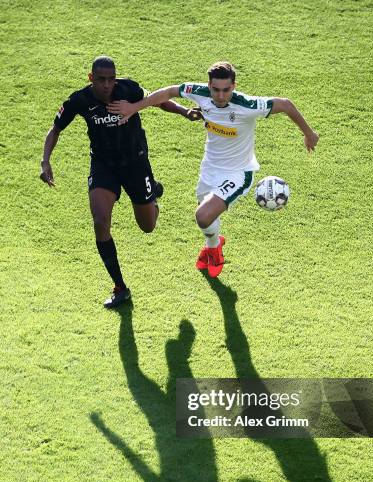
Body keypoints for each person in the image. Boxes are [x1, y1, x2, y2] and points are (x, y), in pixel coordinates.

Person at [107, 61, 319, 278]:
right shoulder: (199, 93)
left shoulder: (248, 105)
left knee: (203, 216)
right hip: (209, 168)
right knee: (206, 218)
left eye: (226, 90)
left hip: (238, 173)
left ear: (234, 86)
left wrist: (309, 134)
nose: (220, 95)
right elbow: (169, 91)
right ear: (208, 85)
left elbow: (286, 104)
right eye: (215, 89)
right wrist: (134, 108)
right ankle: (213, 246)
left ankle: (214, 249)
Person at [40, 56, 201, 307]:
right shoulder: (79, 100)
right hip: (104, 166)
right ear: (91, 78)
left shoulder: (128, 89)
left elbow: (158, 101)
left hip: (136, 164)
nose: (107, 85)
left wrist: (183, 112)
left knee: (147, 226)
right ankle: (120, 287)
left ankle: (153, 193)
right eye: (101, 80)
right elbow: (55, 129)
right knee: (100, 222)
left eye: (111, 79)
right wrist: (45, 161)